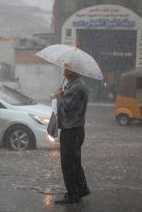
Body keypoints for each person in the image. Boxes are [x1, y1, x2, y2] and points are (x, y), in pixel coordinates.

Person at [53, 63, 90, 204]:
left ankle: (72, 194)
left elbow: (67, 109)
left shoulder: (77, 88)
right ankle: (81, 189)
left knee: (68, 163)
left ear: (73, 72)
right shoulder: (76, 85)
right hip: (75, 129)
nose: (64, 71)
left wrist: (58, 96)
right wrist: (62, 94)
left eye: (66, 68)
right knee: (74, 161)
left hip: (71, 130)